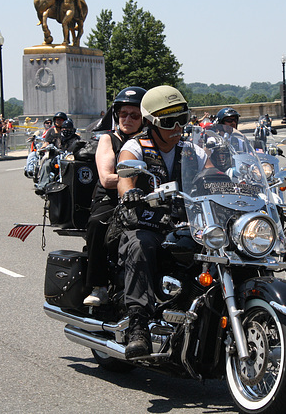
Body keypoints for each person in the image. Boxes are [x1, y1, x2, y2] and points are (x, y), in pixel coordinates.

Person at [116, 85, 208, 359]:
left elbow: (216, 174)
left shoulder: (193, 150)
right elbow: (124, 175)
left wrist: (238, 183)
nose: (178, 127)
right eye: (170, 122)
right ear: (151, 123)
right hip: (144, 222)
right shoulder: (135, 146)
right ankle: (138, 325)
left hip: (184, 224)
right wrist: (130, 192)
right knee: (140, 246)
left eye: (184, 118)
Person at [83, 86, 147, 306]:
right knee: (98, 223)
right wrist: (136, 180)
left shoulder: (149, 141)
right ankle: (98, 286)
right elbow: (106, 178)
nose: (127, 118)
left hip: (143, 198)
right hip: (109, 199)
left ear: (144, 118)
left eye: (134, 115)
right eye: (123, 114)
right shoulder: (108, 139)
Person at [34, 112, 81, 194]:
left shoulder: (73, 136)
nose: (58, 121)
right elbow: (47, 142)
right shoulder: (53, 133)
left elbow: (79, 142)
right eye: (57, 120)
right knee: (46, 164)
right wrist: (44, 147)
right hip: (55, 156)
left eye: (61, 120)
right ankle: (42, 185)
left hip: (69, 157)